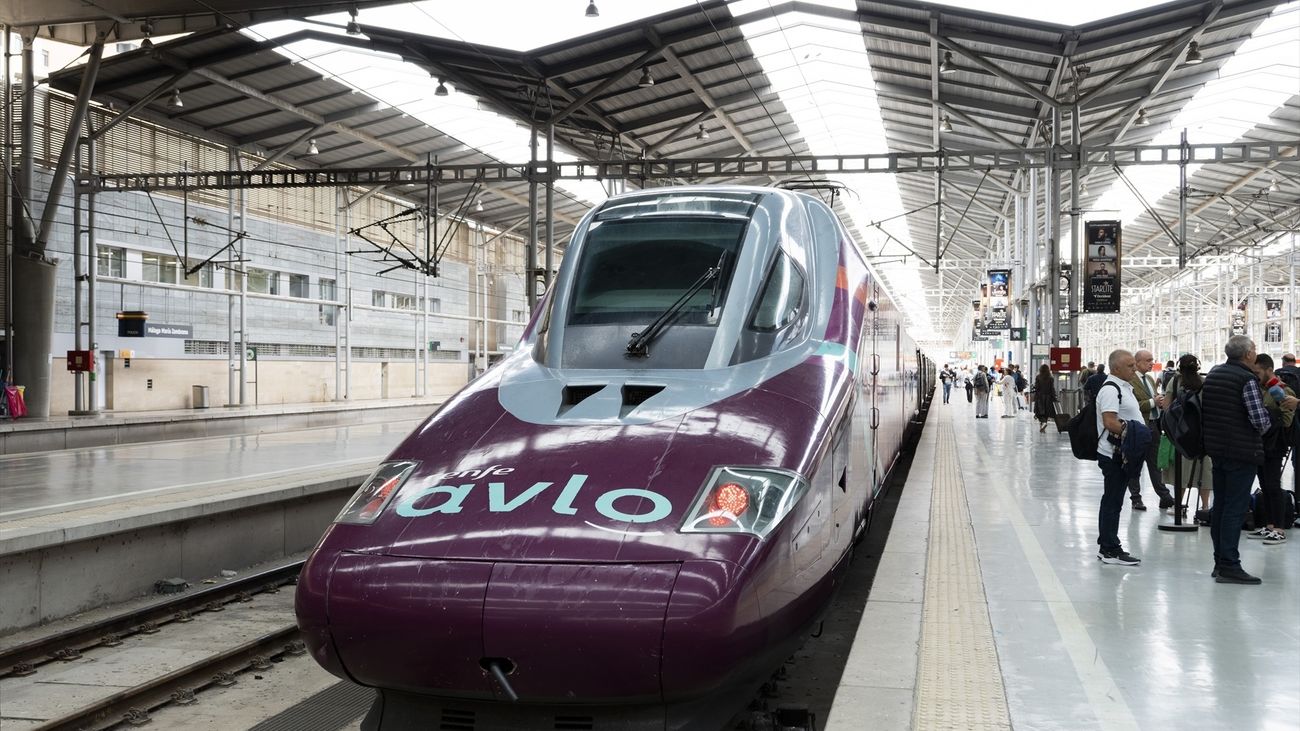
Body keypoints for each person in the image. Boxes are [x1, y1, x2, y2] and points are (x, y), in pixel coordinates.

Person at [1201, 335, 1298, 584]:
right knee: (1235, 509)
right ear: (1247, 355)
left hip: (1218, 448)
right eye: (1253, 349)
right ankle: (1230, 565)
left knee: (1221, 507)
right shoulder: (1246, 380)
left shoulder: (1214, 375)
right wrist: (1273, 418)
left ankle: (1219, 562)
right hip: (1242, 451)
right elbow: (1259, 421)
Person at [1095, 349, 1144, 566]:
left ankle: (1108, 545)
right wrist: (1134, 433)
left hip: (1123, 454)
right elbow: (1110, 421)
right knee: (1113, 501)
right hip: (1114, 454)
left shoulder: (1124, 387)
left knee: (1114, 500)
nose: (1135, 369)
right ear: (1116, 369)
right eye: (1130, 366)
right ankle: (1109, 549)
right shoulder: (1111, 390)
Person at [1246, 354, 1295, 545]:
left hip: (1275, 444)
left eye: (1258, 372)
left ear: (1268, 370)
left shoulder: (1282, 390)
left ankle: (1279, 528)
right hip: (1261, 443)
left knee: (1273, 485)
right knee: (1264, 485)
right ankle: (1269, 525)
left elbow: (1286, 420)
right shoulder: (1260, 389)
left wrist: (1268, 417)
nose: (1255, 376)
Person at [1162, 355, 1213, 526]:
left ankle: (1179, 505)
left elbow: (1167, 406)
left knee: (1182, 469)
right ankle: (1205, 506)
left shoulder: (1175, 382)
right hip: (1203, 433)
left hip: (1183, 433)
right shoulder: (1205, 382)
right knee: (1205, 470)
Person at [1127, 350, 1175, 512]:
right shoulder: (1130, 380)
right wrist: (1153, 402)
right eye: (1147, 360)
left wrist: (1160, 402)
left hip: (1154, 425)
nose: (1151, 363)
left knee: (1155, 463)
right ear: (1137, 362)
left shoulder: (1149, 378)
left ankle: (1164, 496)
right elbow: (1132, 405)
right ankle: (1136, 498)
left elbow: (1153, 399)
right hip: (1139, 427)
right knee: (1136, 463)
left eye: (1152, 360)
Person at [1034, 364, 1057, 433]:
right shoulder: (1050, 378)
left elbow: (1037, 388)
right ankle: (1043, 425)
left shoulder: (1038, 377)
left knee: (1039, 412)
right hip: (1048, 397)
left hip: (1040, 397)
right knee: (1046, 412)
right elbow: (1052, 389)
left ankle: (1043, 423)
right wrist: (1054, 397)